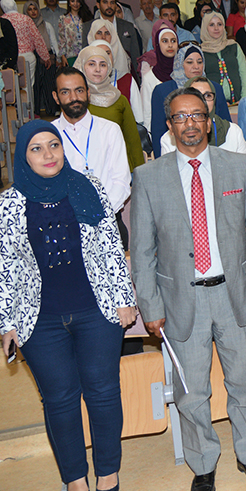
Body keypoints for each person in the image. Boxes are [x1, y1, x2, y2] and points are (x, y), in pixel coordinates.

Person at [130, 86, 246, 491]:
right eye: (180, 117)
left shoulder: (237, 165)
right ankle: (204, 464)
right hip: (181, 300)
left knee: (245, 384)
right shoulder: (148, 177)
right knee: (191, 392)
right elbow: (142, 251)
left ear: (209, 122)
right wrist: (150, 306)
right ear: (169, 125)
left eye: (197, 115)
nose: (190, 123)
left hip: (236, 295)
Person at [0, 119, 136, 491]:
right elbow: (5, 266)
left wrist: (124, 299)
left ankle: (108, 475)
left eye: (54, 145)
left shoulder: (87, 186)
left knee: (103, 392)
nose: (48, 154)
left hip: (97, 311)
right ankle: (75, 481)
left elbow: (110, 245)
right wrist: (6, 322)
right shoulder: (9, 204)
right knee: (59, 400)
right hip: (39, 321)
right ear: (23, 156)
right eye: (36, 148)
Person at [52, 66, 133, 246]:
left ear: (88, 93)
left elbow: (121, 182)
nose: (74, 97)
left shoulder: (110, 130)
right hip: (64, 226)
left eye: (79, 90)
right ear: (56, 97)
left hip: (108, 222)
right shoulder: (49, 134)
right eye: (65, 92)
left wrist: (98, 215)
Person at [150, 44, 232, 159]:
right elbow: (158, 131)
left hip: (215, 148)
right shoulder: (163, 90)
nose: (196, 66)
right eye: (189, 62)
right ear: (179, 63)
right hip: (174, 149)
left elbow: (226, 122)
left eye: (200, 62)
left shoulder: (214, 88)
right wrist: (161, 162)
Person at [74, 46, 144, 173]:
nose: (97, 69)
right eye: (91, 64)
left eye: (103, 65)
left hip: (118, 169)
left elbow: (132, 140)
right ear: (81, 66)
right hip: (85, 170)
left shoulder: (118, 99)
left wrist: (140, 173)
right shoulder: (74, 101)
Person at [161, 77, 246, 157]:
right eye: (196, 95)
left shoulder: (233, 132)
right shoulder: (169, 139)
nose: (203, 101)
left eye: (208, 95)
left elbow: (244, 167)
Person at [81, 0, 141, 76]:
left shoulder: (128, 26)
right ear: (98, 5)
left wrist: (138, 78)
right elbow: (85, 54)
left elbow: (135, 55)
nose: (109, 6)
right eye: (105, 2)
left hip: (123, 73)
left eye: (112, 2)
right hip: (97, 74)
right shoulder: (89, 27)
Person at [200, 12, 246, 103]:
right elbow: (200, 80)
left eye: (219, 24)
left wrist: (244, 99)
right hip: (213, 104)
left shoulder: (233, 46)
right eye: (211, 25)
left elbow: (244, 73)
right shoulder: (200, 52)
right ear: (205, 27)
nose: (216, 28)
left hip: (238, 102)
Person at [1, 0, 50, 89]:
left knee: (9, 87)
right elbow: (37, 38)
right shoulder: (26, 19)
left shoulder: (2, 21)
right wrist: (45, 56)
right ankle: (27, 99)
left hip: (8, 58)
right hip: (27, 56)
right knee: (28, 86)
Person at [23, 0, 59, 116]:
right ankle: (35, 111)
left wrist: (57, 57)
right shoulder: (24, 27)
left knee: (49, 84)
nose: (33, 12)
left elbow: (53, 42)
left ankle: (53, 110)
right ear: (26, 12)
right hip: (33, 57)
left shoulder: (46, 25)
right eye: (30, 9)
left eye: (35, 9)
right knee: (35, 86)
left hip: (48, 57)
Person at [140, 25, 178, 132]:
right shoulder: (150, 77)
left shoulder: (184, 73)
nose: (170, 45)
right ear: (157, 45)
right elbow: (147, 114)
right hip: (160, 132)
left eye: (173, 41)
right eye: (165, 41)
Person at [59, 0, 94, 67]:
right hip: (70, 54)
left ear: (81, 3)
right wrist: (63, 56)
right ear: (69, 3)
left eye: (77, 1)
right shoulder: (63, 18)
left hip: (86, 53)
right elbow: (62, 39)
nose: (75, 4)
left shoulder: (87, 18)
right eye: (73, 1)